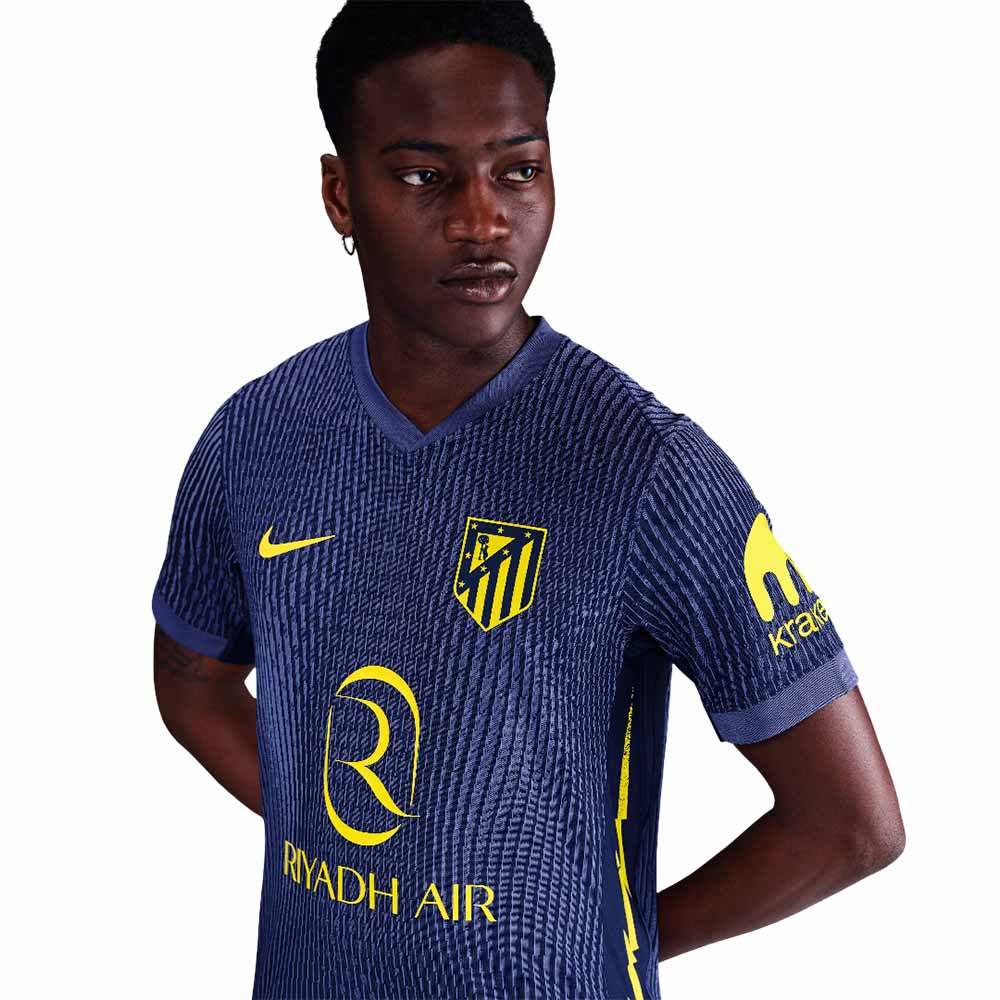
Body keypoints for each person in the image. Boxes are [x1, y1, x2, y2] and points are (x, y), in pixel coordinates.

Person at [150, 3, 905, 998]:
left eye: (518, 170)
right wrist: (359, 851)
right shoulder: (258, 432)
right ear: (340, 194)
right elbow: (192, 687)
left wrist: (609, 941)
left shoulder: (644, 467)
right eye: (423, 177)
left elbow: (852, 824)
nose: (482, 220)